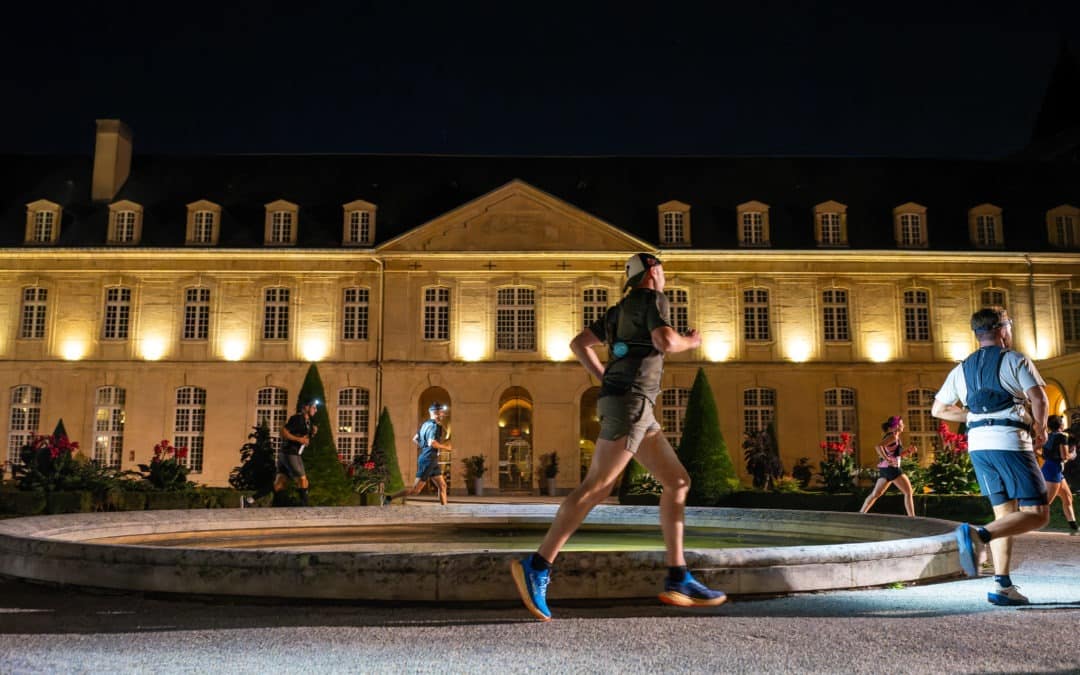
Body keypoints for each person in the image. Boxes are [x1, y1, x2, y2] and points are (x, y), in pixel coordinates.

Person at [510, 252, 727, 622]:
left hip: (635, 405)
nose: (664, 277)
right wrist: (691, 342)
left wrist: (606, 377)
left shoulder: (618, 310)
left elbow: (579, 343)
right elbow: (665, 341)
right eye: (662, 271)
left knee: (677, 482)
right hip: (632, 405)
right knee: (596, 488)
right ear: (653, 272)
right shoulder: (652, 299)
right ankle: (539, 565)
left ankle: (678, 576)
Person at [931, 307, 1050, 606]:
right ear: (1001, 329)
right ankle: (976, 536)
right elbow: (1039, 397)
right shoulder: (1015, 359)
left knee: (1005, 516)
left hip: (979, 446)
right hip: (1009, 442)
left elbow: (939, 410)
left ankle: (1002, 585)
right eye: (1009, 325)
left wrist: (970, 414)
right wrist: (1041, 429)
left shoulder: (961, 368)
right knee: (1038, 513)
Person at [385, 402, 451, 505]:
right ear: (436, 413)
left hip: (430, 459)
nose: (442, 414)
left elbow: (415, 439)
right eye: (441, 412)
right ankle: (388, 498)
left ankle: (444, 510)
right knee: (416, 490)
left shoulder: (425, 424)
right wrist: (446, 447)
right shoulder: (435, 426)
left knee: (442, 486)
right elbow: (432, 443)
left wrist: (425, 448)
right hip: (428, 460)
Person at [859, 416, 917, 517]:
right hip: (891, 468)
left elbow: (896, 455)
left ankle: (861, 514)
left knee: (876, 494)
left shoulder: (895, 437)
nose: (904, 425)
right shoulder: (892, 437)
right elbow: (878, 446)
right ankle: (912, 518)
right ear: (897, 425)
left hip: (885, 469)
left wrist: (908, 451)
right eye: (902, 423)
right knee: (908, 492)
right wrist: (886, 458)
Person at [275, 398, 319, 507]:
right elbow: (283, 432)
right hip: (290, 452)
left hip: (295, 453)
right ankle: (304, 506)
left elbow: (304, 438)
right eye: (314, 407)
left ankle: (250, 499)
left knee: (281, 482)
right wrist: (298, 439)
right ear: (306, 407)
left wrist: (312, 434)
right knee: (303, 479)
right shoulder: (297, 418)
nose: (316, 410)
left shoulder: (308, 421)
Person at [1040, 415, 1078, 535]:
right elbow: (1064, 456)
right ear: (1061, 425)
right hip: (1053, 471)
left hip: (1051, 469)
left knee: (1068, 498)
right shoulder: (1062, 436)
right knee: (1046, 502)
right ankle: (1024, 521)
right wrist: (1073, 454)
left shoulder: (1048, 436)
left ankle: (1074, 527)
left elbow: (1041, 453)